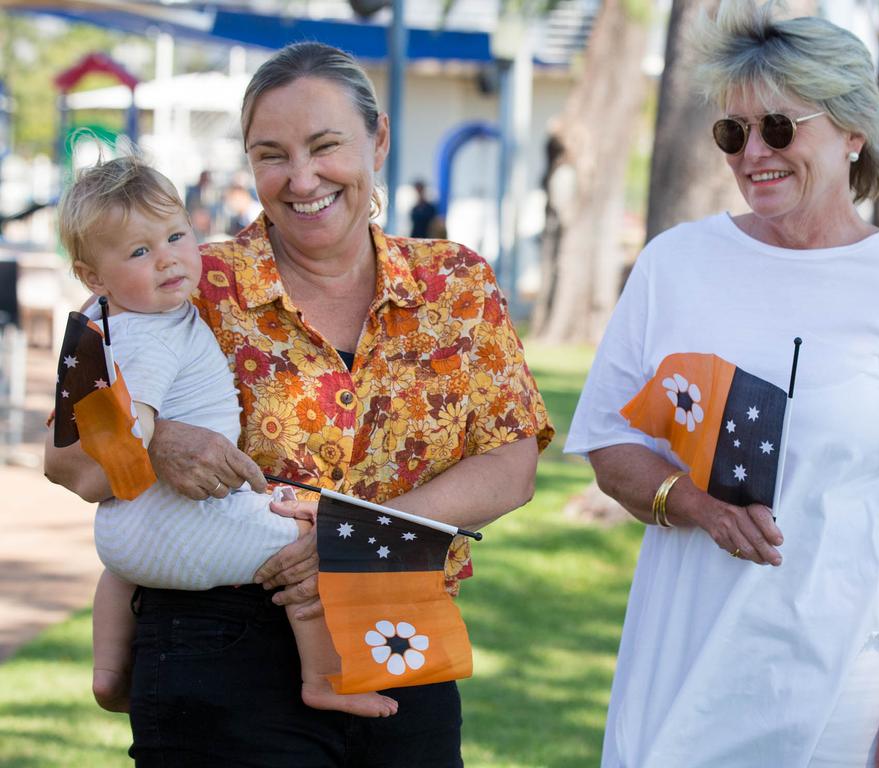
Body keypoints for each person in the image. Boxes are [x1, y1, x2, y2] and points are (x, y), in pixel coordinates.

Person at [46, 41, 552, 767]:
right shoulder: (177, 279)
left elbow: (512, 465)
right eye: (272, 154)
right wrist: (157, 442)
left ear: (377, 140)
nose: (302, 177)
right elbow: (67, 462)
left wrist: (350, 537)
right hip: (220, 643)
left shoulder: (457, 284)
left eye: (325, 146)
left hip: (401, 630)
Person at [564, 2, 879, 767]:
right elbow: (609, 441)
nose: (751, 153)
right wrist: (693, 504)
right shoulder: (675, 264)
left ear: (852, 131)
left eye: (779, 127)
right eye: (733, 133)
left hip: (845, 686)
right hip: (684, 661)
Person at [53, 155, 400, 720]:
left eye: (175, 235)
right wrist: (147, 439)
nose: (168, 258)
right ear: (94, 275)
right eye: (140, 252)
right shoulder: (153, 337)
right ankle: (323, 679)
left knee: (121, 566)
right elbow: (133, 419)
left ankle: (110, 671)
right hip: (180, 521)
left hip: (121, 536)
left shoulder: (105, 319)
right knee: (301, 538)